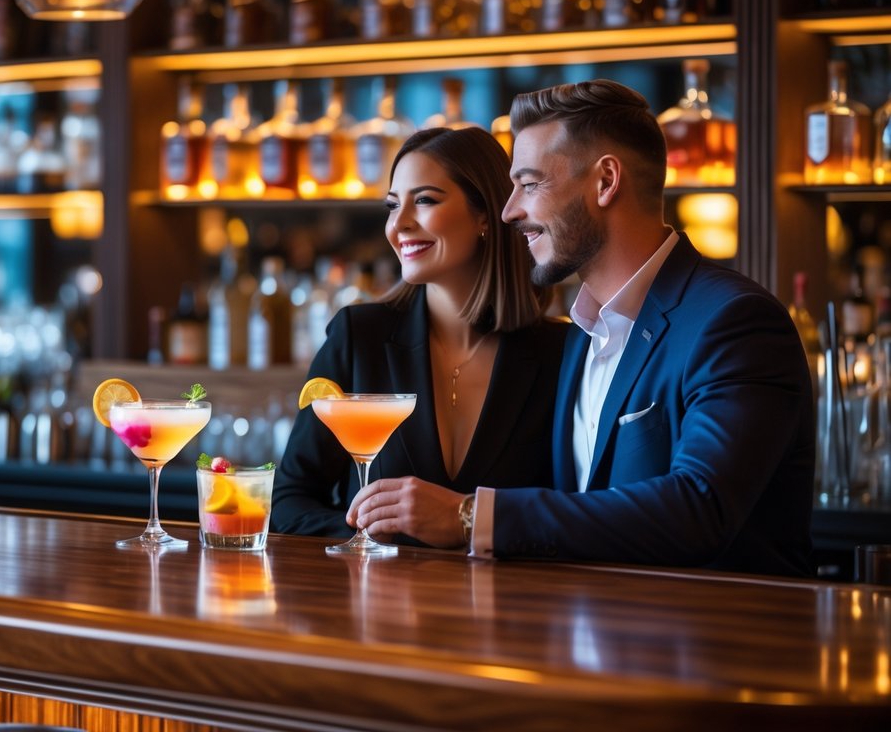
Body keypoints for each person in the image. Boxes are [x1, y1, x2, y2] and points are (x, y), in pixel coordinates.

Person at [349, 79, 815, 577]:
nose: (510, 211)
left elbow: (699, 508)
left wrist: (468, 517)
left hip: (720, 626)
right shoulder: (577, 338)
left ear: (605, 181)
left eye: (529, 184)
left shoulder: (735, 322)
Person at [271, 126, 568, 547]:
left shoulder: (560, 352)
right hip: (381, 589)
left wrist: (466, 521)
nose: (399, 225)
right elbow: (288, 502)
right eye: (393, 206)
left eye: (425, 200)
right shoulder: (359, 337)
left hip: (507, 590)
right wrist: (373, 536)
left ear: (486, 214)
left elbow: (574, 511)